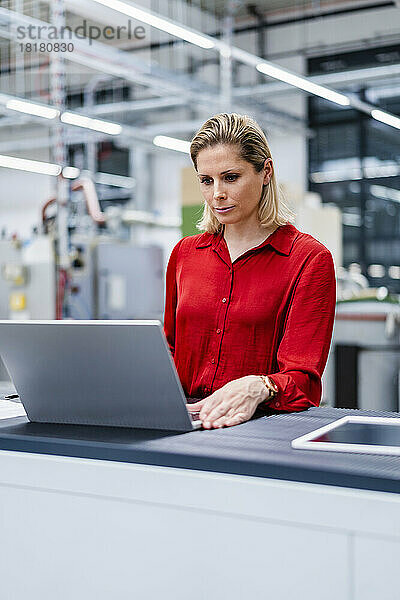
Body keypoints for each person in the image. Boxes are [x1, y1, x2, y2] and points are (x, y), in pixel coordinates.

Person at [164, 113, 336, 430]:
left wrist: (258, 386)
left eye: (230, 177)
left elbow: (304, 381)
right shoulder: (184, 254)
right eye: (206, 180)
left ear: (265, 172)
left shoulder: (308, 259)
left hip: (259, 429)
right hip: (183, 425)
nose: (217, 193)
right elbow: (169, 349)